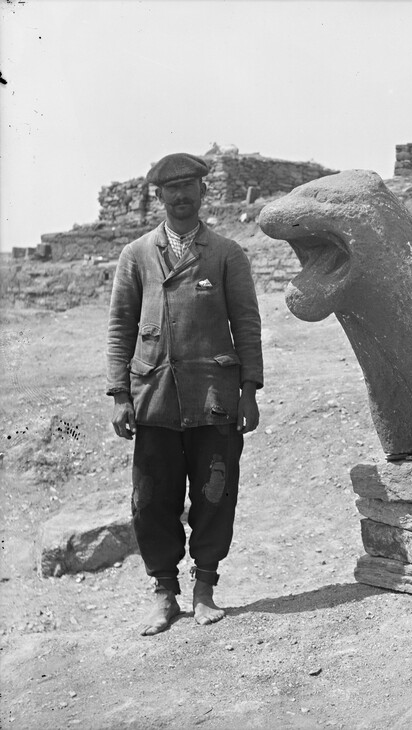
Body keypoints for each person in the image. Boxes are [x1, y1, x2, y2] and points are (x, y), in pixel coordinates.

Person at [106, 152, 263, 636]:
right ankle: (164, 593)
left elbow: (247, 325)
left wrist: (250, 389)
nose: (180, 196)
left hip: (213, 397)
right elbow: (119, 328)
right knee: (151, 499)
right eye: (170, 189)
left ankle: (205, 589)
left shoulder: (226, 253)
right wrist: (119, 393)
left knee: (215, 495)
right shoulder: (136, 256)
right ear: (158, 196)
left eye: (189, 186)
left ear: (202, 192)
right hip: (153, 398)